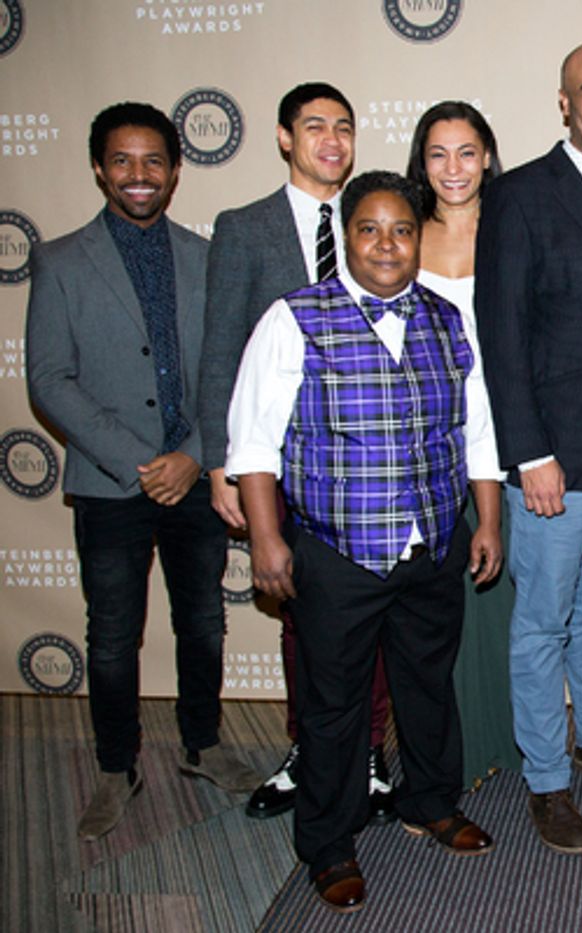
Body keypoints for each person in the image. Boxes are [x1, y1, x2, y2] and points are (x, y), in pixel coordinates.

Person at [225, 171, 498, 914]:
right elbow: (253, 444)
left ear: (420, 238)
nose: (387, 244)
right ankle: (329, 841)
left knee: (427, 686)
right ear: (347, 235)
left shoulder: (447, 319)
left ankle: (430, 801)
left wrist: (489, 522)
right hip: (335, 550)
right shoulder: (294, 318)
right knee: (335, 704)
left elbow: (475, 432)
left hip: (433, 540)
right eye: (371, 229)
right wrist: (268, 540)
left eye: (402, 230)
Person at [26, 101, 260, 842]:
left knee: (202, 622)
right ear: (99, 167)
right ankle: (114, 764)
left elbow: (225, 370)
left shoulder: (205, 256)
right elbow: (49, 378)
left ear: (176, 170)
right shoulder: (61, 261)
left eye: (153, 161)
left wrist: (193, 453)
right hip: (110, 483)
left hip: (194, 477)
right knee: (110, 634)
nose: (139, 175)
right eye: (123, 161)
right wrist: (138, 461)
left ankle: (203, 744)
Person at [198, 82, 396, 822]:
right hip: (280, 462)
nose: (332, 141)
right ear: (285, 138)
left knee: (372, 607)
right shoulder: (245, 227)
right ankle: (309, 747)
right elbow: (221, 350)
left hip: (369, 458)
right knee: (299, 615)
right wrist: (224, 460)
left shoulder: (374, 223)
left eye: (344, 127)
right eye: (315, 127)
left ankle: (371, 750)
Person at [476, 39, 582, 854]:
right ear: (564, 102)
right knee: (541, 622)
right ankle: (547, 778)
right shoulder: (519, 195)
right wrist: (528, 452)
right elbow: (500, 333)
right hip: (552, 457)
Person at [404, 100, 520, 787]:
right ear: (421, 162)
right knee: (437, 602)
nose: (454, 169)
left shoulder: (514, 227)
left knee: (499, 593)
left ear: (488, 157)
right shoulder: (400, 234)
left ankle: (502, 735)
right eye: (439, 154)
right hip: (425, 439)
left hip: (504, 432)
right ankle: (451, 746)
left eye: (467, 152)